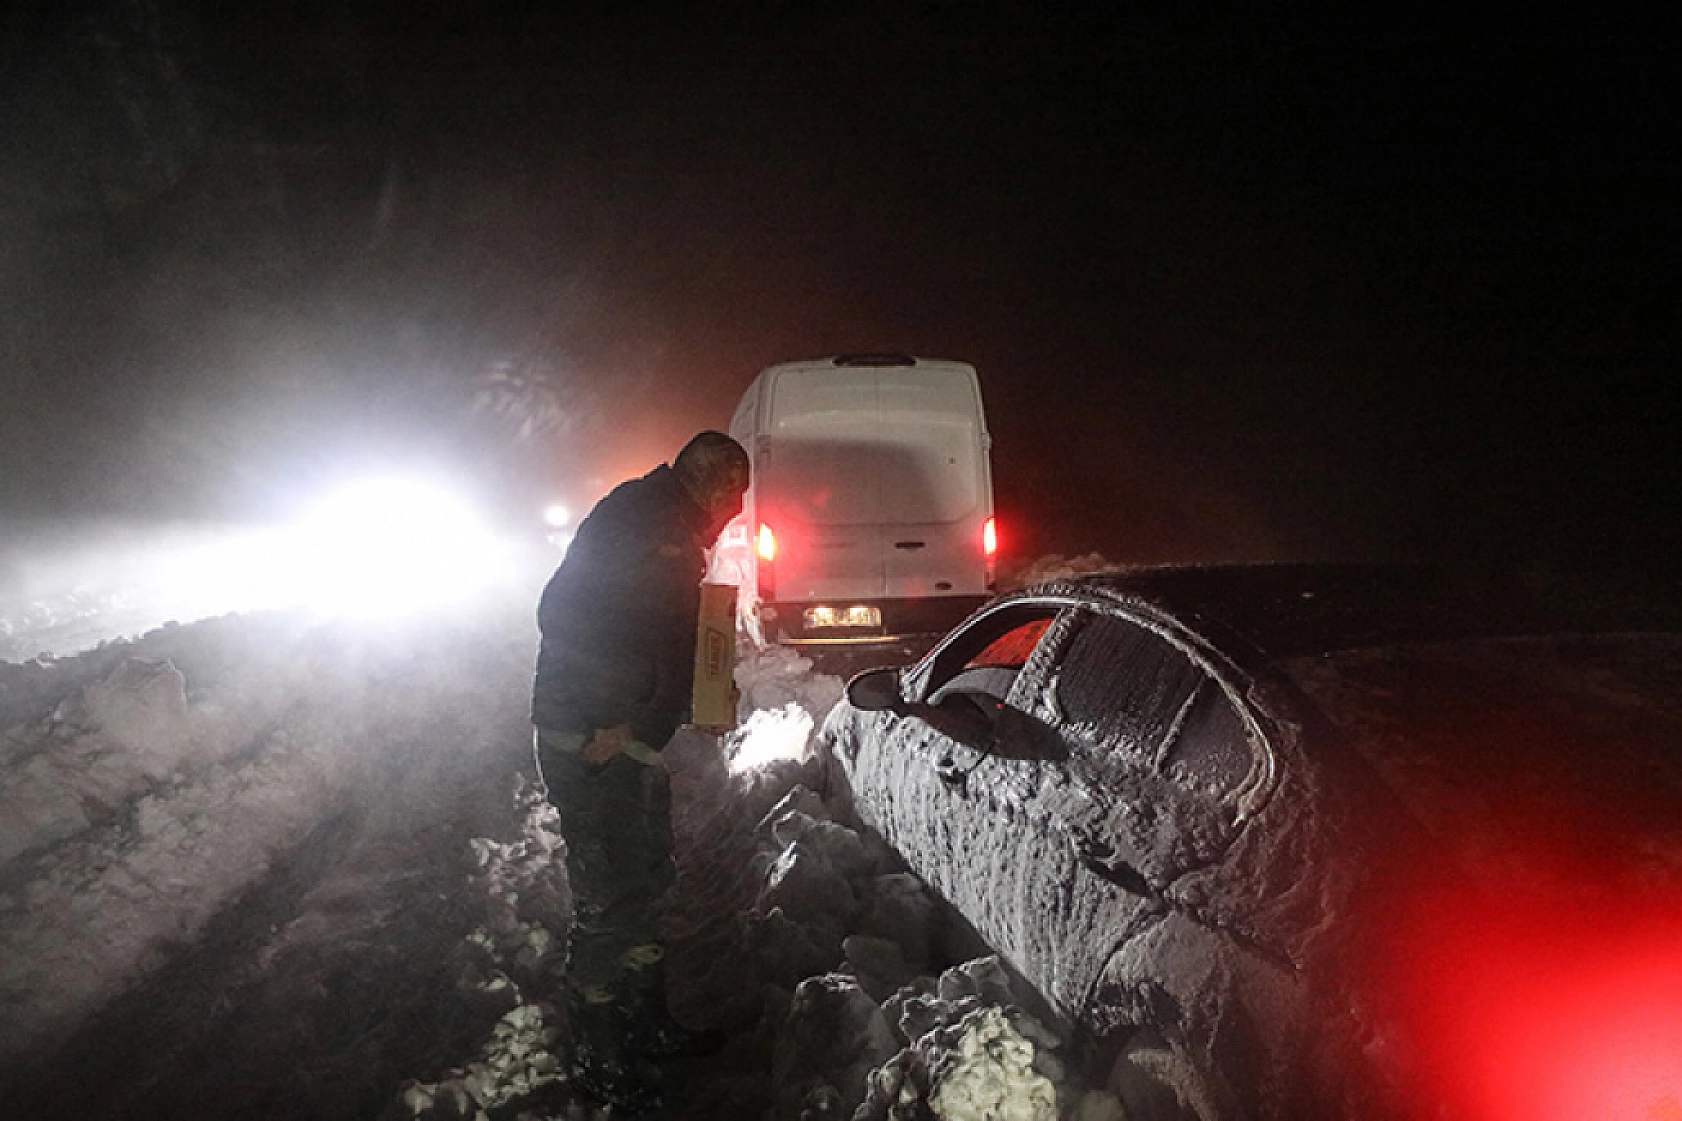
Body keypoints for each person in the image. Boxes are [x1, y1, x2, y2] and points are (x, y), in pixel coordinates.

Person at [531, 430, 749, 1114]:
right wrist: (606, 721)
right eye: (734, 499)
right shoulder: (645, 526)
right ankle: (599, 1051)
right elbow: (564, 616)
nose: (734, 515)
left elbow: (667, 640)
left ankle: (644, 1019)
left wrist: (697, 696)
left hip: (629, 743)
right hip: (595, 744)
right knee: (610, 897)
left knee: (648, 876)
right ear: (711, 486)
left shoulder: (663, 524)